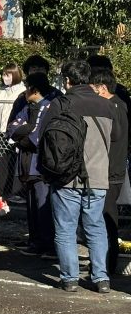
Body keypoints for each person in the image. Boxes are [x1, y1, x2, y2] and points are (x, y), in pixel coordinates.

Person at [39, 59, 115, 293]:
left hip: (66, 177)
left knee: (65, 228)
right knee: (96, 227)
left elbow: (44, 138)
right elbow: (119, 136)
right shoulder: (106, 105)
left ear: (67, 80)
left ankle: (70, 278)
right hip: (98, 175)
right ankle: (101, 278)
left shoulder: (61, 103)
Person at [7, 72, 58, 256]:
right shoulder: (28, 106)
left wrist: (24, 133)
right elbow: (12, 128)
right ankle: (36, 242)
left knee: (43, 206)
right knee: (32, 207)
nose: (24, 92)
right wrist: (24, 132)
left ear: (34, 90)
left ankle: (48, 245)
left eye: (27, 88)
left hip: (40, 165)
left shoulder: (48, 107)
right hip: (27, 164)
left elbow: (34, 138)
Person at [90, 67, 129, 278]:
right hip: (112, 170)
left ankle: (107, 265)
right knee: (105, 218)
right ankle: (105, 264)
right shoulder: (119, 105)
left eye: (93, 88)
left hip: (109, 171)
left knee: (106, 219)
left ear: (102, 88)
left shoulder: (113, 107)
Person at [0, 62, 25, 198]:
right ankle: (1, 191)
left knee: (15, 160)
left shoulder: (21, 91)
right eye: (4, 74)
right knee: (1, 160)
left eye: (8, 75)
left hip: (13, 131)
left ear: (15, 75)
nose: (5, 77)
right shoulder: (1, 90)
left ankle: (15, 192)